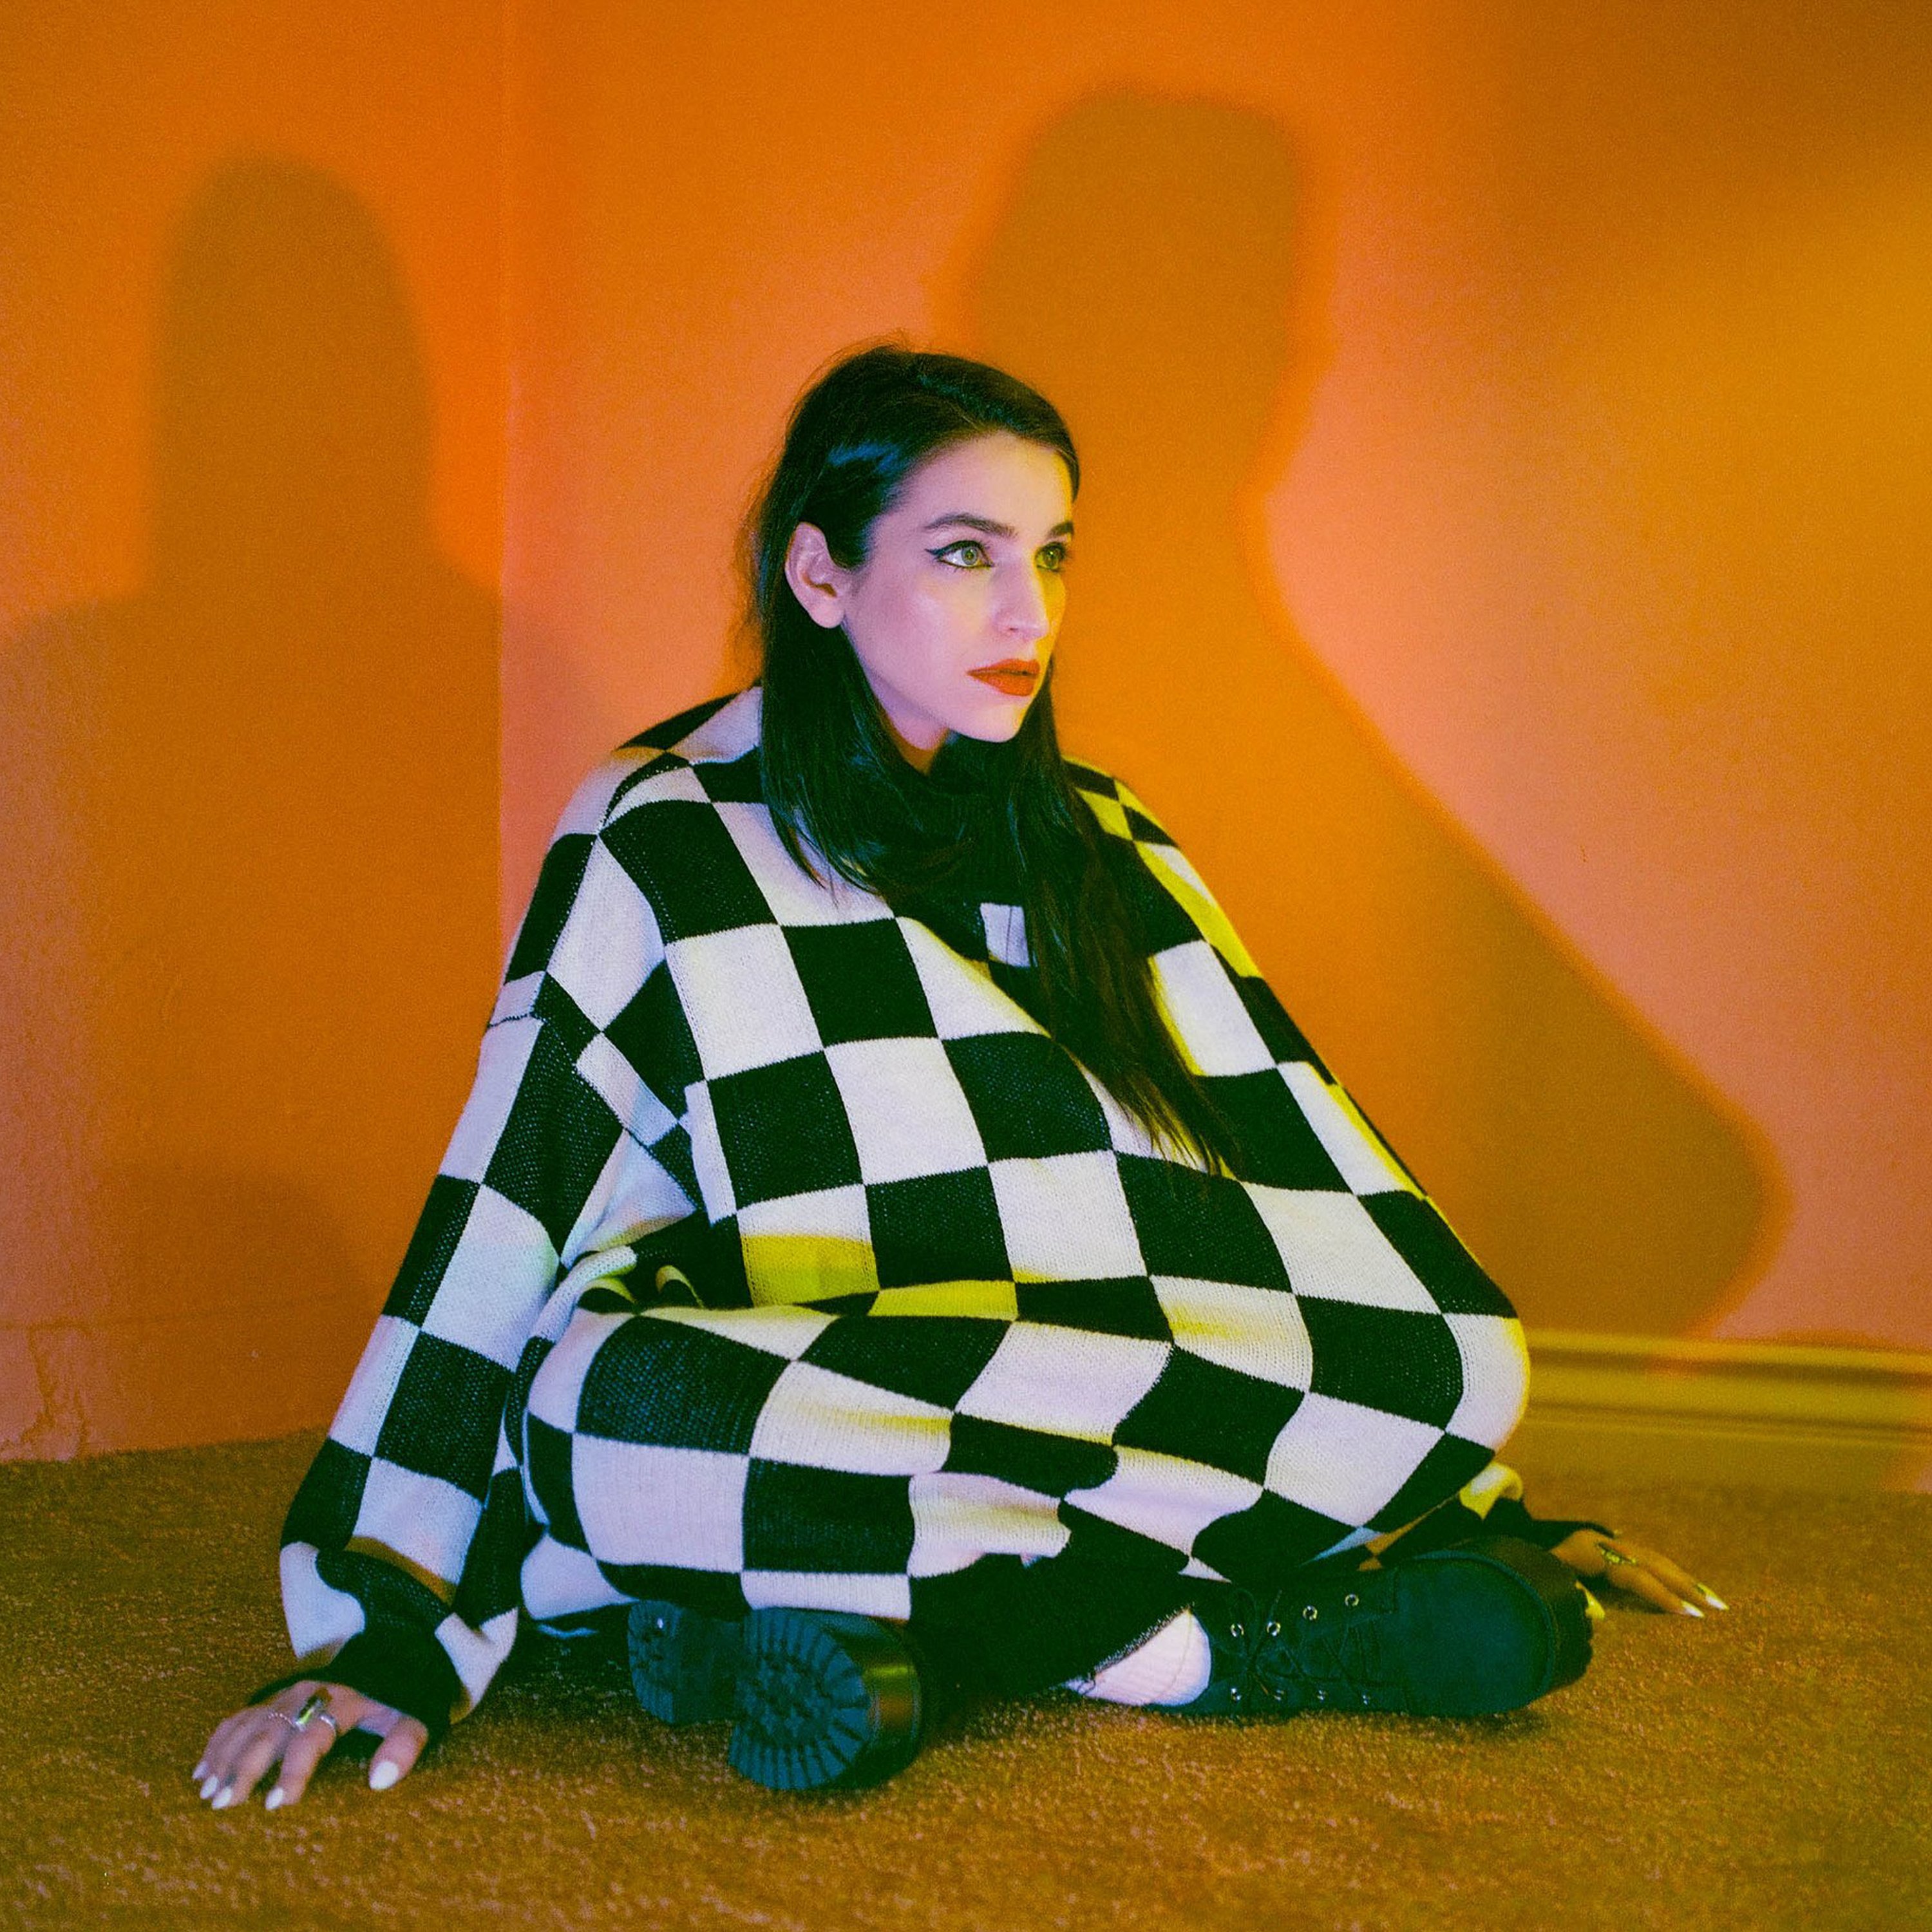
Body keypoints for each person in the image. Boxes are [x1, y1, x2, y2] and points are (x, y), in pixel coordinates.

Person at [192, 345, 1725, 1812]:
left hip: (1069, 1372)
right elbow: (510, 1193)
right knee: (610, 1416)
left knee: (1461, 1357)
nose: (1027, 610)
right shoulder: (663, 830)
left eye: (1053, 554)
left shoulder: (1101, 836)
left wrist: (1474, 1485)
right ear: (820, 574)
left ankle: (874, 1627)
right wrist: (382, 1626)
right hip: (816, 1366)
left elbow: (1299, 1167)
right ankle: (1210, 1648)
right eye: (964, 554)